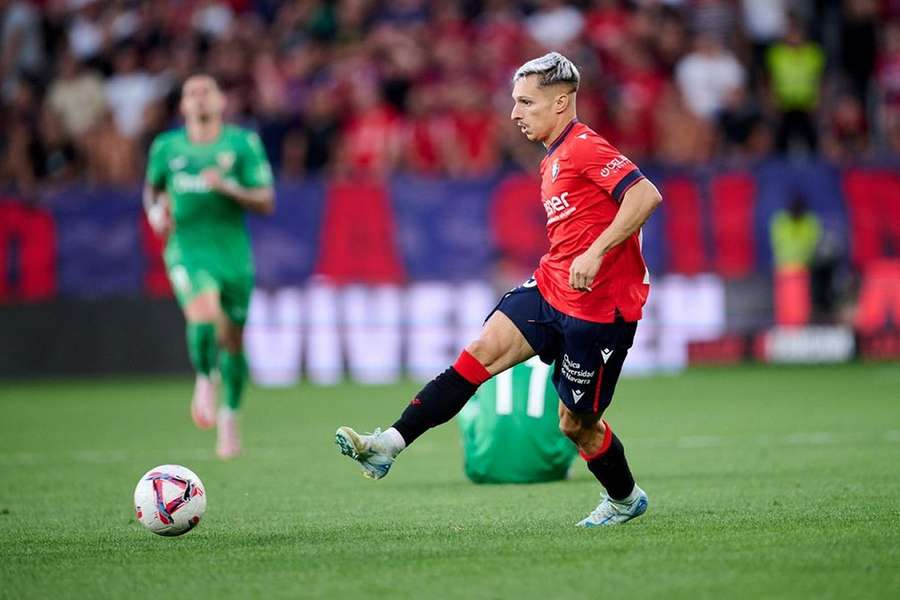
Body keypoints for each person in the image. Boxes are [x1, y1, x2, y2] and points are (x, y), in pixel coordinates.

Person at [336, 52, 662, 528]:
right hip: (552, 287)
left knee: (576, 426)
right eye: (515, 101)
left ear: (561, 103)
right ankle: (388, 444)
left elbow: (645, 195)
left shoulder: (585, 147)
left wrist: (595, 253)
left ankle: (625, 498)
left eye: (526, 102)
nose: (515, 113)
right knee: (478, 354)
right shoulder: (552, 156)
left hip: (600, 310)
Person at [144, 74, 275, 459]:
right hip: (187, 246)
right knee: (202, 317)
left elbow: (266, 201)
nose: (199, 99)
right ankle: (205, 376)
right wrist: (154, 212)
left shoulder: (241, 144)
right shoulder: (166, 147)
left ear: (221, 101)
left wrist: (228, 187)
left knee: (233, 340)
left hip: (232, 252)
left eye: (206, 92)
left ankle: (230, 416)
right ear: (183, 106)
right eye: (191, 94)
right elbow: (152, 186)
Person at [458, 357, 577, 484]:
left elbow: (466, 412)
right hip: (551, 469)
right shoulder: (562, 358)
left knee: (470, 406)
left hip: (483, 469)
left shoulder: (488, 356)